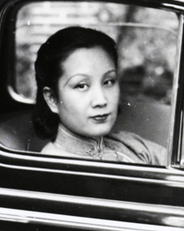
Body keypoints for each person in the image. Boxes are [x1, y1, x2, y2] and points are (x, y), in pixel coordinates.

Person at [33, 27, 168, 164]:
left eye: (108, 82)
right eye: (81, 85)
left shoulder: (133, 145)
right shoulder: (51, 167)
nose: (101, 100)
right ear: (52, 99)